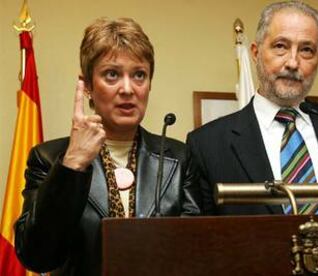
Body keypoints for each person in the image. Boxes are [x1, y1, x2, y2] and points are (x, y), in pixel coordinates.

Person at [14, 17, 201, 275]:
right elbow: (38, 256)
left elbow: (195, 252)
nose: (127, 89)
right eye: (112, 74)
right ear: (88, 85)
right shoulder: (48, 158)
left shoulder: (179, 158)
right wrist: (72, 165)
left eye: (139, 75)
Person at [186, 1, 318, 215]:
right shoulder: (206, 144)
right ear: (256, 53)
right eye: (280, 46)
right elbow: (201, 240)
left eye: (306, 50)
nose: (293, 62)